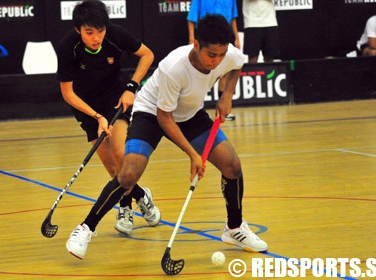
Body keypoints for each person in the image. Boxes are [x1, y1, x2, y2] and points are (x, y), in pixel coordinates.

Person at [65, 14, 268, 260]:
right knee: (128, 173)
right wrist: (193, 154)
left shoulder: (229, 54)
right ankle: (86, 228)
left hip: (190, 114)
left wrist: (227, 95)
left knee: (232, 165)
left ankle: (234, 228)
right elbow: (165, 119)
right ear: (196, 45)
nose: (217, 61)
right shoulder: (175, 67)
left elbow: (237, 64)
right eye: (211, 55)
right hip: (151, 113)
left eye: (221, 55)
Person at [56, 0, 160, 241]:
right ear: (78, 30)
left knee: (122, 157)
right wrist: (96, 117)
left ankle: (125, 208)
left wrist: (131, 88)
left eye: (100, 31)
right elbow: (67, 93)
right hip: (86, 108)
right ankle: (141, 196)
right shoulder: (68, 47)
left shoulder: (114, 35)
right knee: (114, 170)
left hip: (115, 102)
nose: (96, 37)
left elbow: (147, 55)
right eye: (89, 32)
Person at [187, 0, 240, 121]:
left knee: (224, 74)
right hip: (206, 41)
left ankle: (222, 108)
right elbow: (192, 17)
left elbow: (232, 18)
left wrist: (236, 37)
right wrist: (191, 38)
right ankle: (196, 110)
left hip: (223, 39)